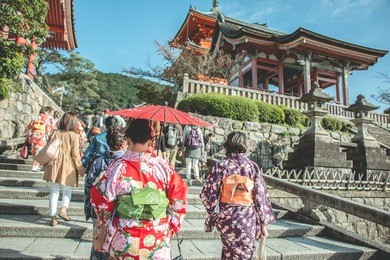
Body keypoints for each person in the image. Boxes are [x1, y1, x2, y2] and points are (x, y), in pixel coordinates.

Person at [90, 119, 188, 259]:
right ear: (150, 140)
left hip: (125, 236)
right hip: (157, 236)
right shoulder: (163, 167)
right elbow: (180, 197)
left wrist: (108, 221)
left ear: (128, 138)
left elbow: (100, 197)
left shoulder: (117, 167)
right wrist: (170, 226)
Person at [200, 131, 275, 259]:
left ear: (227, 145)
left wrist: (213, 214)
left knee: (229, 251)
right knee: (245, 253)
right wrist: (263, 222)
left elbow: (207, 194)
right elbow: (260, 197)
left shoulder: (221, 165)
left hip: (226, 217)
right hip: (247, 217)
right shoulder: (252, 167)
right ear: (244, 145)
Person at [84, 125, 127, 260]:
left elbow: (88, 186)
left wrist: (89, 209)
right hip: (120, 212)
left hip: (99, 211)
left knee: (99, 242)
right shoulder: (126, 163)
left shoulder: (99, 162)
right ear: (124, 142)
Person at [42, 112, 86, 227]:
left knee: (54, 192)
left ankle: (53, 218)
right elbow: (75, 154)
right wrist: (80, 168)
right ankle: (63, 209)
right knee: (67, 190)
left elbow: (49, 147)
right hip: (68, 164)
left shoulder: (56, 133)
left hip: (54, 163)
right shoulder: (74, 136)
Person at [23, 106, 54, 171]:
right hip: (41, 137)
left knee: (35, 151)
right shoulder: (46, 118)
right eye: (48, 112)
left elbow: (29, 127)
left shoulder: (35, 117)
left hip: (34, 136)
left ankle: (36, 166)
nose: (48, 114)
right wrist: (50, 135)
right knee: (39, 152)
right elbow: (49, 128)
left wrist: (28, 135)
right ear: (46, 111)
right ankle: (35, 167)